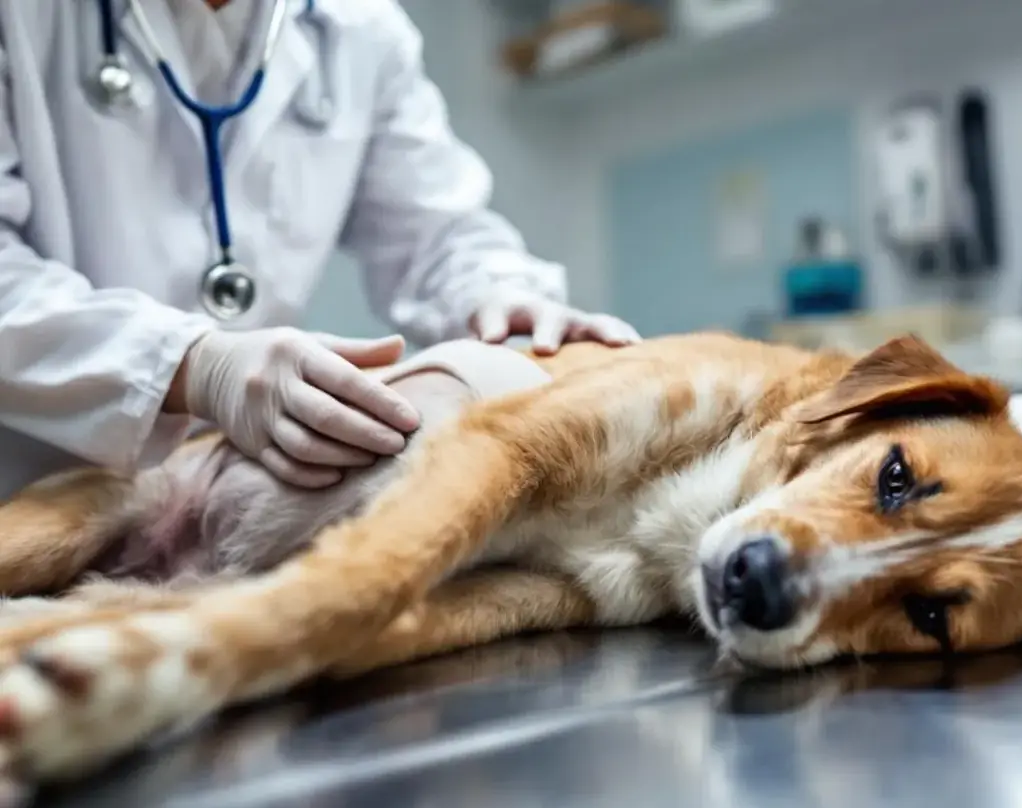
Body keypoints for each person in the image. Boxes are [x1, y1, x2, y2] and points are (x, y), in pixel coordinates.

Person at [0, 0, 641, 498]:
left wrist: (499, 293)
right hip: (25, 497)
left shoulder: (359, 29)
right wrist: (188, 365)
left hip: (225, 497)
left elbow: (437, 231)